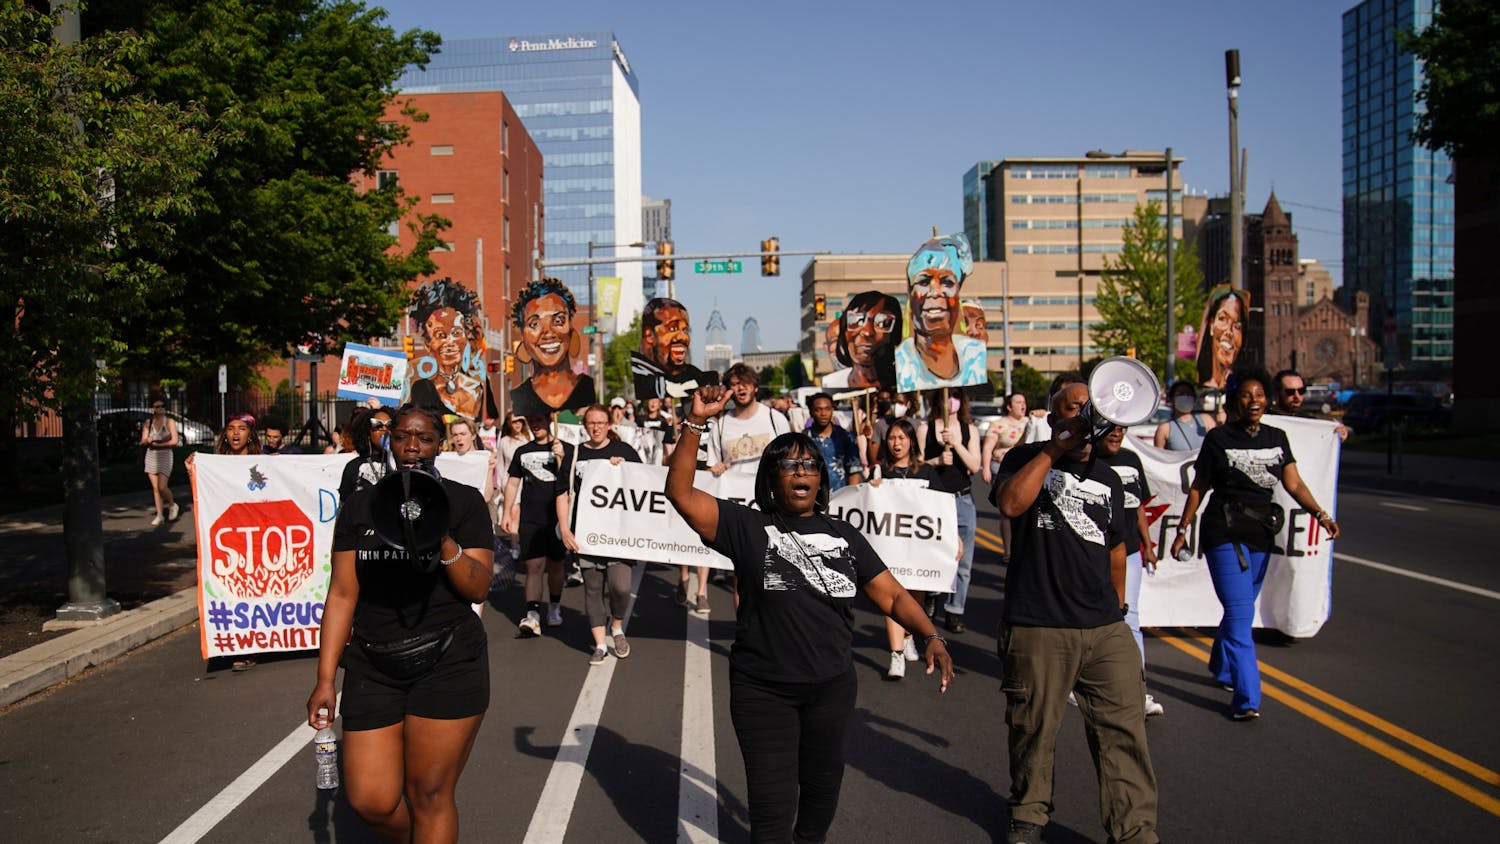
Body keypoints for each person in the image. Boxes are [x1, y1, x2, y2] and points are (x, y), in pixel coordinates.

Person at [664, 384, 953, 843]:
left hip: (831, 690)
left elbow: (894, 597)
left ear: (820, 479)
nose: (801, 471)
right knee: (772, 809)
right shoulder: (746, 527)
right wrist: (696, 421)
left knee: (821, 793)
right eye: (789, 464)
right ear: (771, 479)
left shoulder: (846, 537)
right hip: (764, 693)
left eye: (810, 464)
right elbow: (679, 491)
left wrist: (930, 634)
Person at [306, 404, 494, 844]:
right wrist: (324, 679)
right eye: (403, 436)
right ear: (389, 439)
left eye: (425, 438)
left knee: (429, 794)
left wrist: (440, 532)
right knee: (370, 799)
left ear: (439, 445)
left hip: (448, 661)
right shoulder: (360, 507)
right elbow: (342, 595)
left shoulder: (464, 502)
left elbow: (478, 588)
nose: (413, 446)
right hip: (374, 664)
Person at [992, 379, 1159, 844]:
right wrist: (1053, 452)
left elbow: (1116, 550)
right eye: (1077, 410)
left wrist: (1121, 609)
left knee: (1124, 733)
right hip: (1039, 624)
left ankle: (1134, 831)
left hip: (1105, 627)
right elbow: (1010, 503)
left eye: (1095, 410)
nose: (1090, 418)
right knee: (1034, 732)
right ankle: (1028, 814)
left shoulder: (1109, 474)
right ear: (1054, 417)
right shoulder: (1025, 460)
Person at [1171, 368, 1341, 721]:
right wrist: (1183, 529)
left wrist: (1321, 514)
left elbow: (1294, 484)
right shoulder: (1219, 438)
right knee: (1239, 613)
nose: (1254, 400)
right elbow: (1200, 486)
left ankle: (1220, 665)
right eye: (1247, 394)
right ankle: (1248, 697)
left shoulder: (1277, 437)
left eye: (1260, 394)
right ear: (1236, 400)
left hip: (1261, 533)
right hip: (1224, 532)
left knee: (1241, 607)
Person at [556, 405, 643, 664]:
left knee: (620, 586)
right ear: (584, 425)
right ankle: (600, 644)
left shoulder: (624, 451)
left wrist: (624, 469)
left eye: (600, 422)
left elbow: (644, 486)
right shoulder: (575, 455)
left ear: (609, 425)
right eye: (591, 423)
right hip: (587, 532)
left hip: (618, 534)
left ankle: (616, 626)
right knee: (593, 589)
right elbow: (562, 492)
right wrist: (564, 528)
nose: (595, 427)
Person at [868, 418, 947, 680]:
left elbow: (941, 511)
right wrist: (874, 489)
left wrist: (953, 539)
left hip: (919, 549)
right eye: (891, 438)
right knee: (892, 598)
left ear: (911, 441)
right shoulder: (881, 473)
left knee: (914, 599)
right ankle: (896, 655)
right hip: (891, 547)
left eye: (902, 437)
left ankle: (910, 634)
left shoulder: (926, 472)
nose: (896, 443)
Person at [1095, 424, 1165, 717]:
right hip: (1092, 555)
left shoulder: (1131, 460)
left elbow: (1138, 507)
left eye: (1122, 429)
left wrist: (1147, 544)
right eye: (1109, 428)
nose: (1116, 434)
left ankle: (1136, 689)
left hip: (1130, 552)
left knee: (1129, 618)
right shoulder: (1084, 461)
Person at [500, 411, 573, 636]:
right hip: (531, 518)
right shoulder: (523, 451)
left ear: (549, 421)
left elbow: (574, 480)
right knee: (534, 566)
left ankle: (554, 605)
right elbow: (513, 483)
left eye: (539, 419)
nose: (535, 425)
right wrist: (507, 512)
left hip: (557, 519)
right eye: (532, 421)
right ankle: (532, 614)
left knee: (556, 566)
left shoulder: (566, 448)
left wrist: (562, 457)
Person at [917, 387, 980, 634]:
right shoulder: (926, 428)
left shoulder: (969, 430)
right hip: (935, 500)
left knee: (963, 562)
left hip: (962, 500)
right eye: (946, 396)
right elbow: (917, 464)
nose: (950, 401)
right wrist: (935, 461)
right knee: (935, 554)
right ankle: (932, 594)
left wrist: (957, 445)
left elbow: (974, 466)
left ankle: (955, 610)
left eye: (954, 396)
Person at [894, 233, 987, 392]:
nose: (935, 292)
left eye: (947, 282)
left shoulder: (973, 354)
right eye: (923, 282)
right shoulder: (904, 360)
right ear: (911, 294)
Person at [509, 278, 595, 417]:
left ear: (571, 330)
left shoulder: (586, 388)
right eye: (534, 324)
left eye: (558, 321)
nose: (548, 333)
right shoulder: (519, 398)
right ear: (523, 338)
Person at [408, 279, 485, 419]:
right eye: (441, 335)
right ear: (428, 343)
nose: (450, 342)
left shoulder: (476, 389)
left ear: (466, 337)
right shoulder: (420, 390)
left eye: (456, 333)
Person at [709, 363, 791, 474]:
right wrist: (714, 470)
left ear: (755, 387)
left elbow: (790, 459)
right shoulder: (719, 427)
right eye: (735, 384)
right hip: (733, 490)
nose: (741, 387)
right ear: (729, 390)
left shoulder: (776, 419)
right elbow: (711, 467)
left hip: (769, 490)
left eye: (746, 383)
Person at [823, 291, 902, 389]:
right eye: (856, 320)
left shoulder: (906, 382)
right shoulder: (832, 384)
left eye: (882, 322)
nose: (867, 332)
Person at [804, 393, 864, 491]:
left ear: (832, 410)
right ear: (811, 412)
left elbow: (854, 471)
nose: (823, 414)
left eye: (827, 409)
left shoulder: (846, 437)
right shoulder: (804, 439)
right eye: (818, 409)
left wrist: (849, 496)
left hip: (841, 496)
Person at [1197, 284, 1250, 392]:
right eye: (1222, 319)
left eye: (1237, 326)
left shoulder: (1245, 390)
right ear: (1211, 325)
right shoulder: (1199, 390)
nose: (1229, 331)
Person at [1271, 369, 1349, 441]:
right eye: (1290, 392)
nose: (1297, 396)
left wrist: (1337, 435)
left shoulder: (1310, 422)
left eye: (1301, 391)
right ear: (1277, 393)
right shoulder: (1265, 420)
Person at [339, 407, 394, 502]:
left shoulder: (400, 463)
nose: (385, 430)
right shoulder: (354, 467)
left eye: (389, 425)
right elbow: (344, 508)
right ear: (367, 432)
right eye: (378, 426)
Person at [140, 398, 180, 526]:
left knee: (162, 486)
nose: (160, 408)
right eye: (157, 406)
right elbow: (143, 440)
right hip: (151, 454)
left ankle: (172, 504)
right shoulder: (149, 422)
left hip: (165, 454)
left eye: (162, 406)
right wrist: (149, 440)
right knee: (156, 488)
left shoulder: (169, 422)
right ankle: (160, 514)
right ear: (153, 409)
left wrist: (159, 444)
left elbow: (174, 441)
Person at [1154, 380, 1217, 451]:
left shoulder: (1207, 420)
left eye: (1189, 394)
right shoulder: (1165, 429)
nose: (1185, 397)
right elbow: (1159, 457)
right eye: (1181, 394)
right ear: (1172, 399)